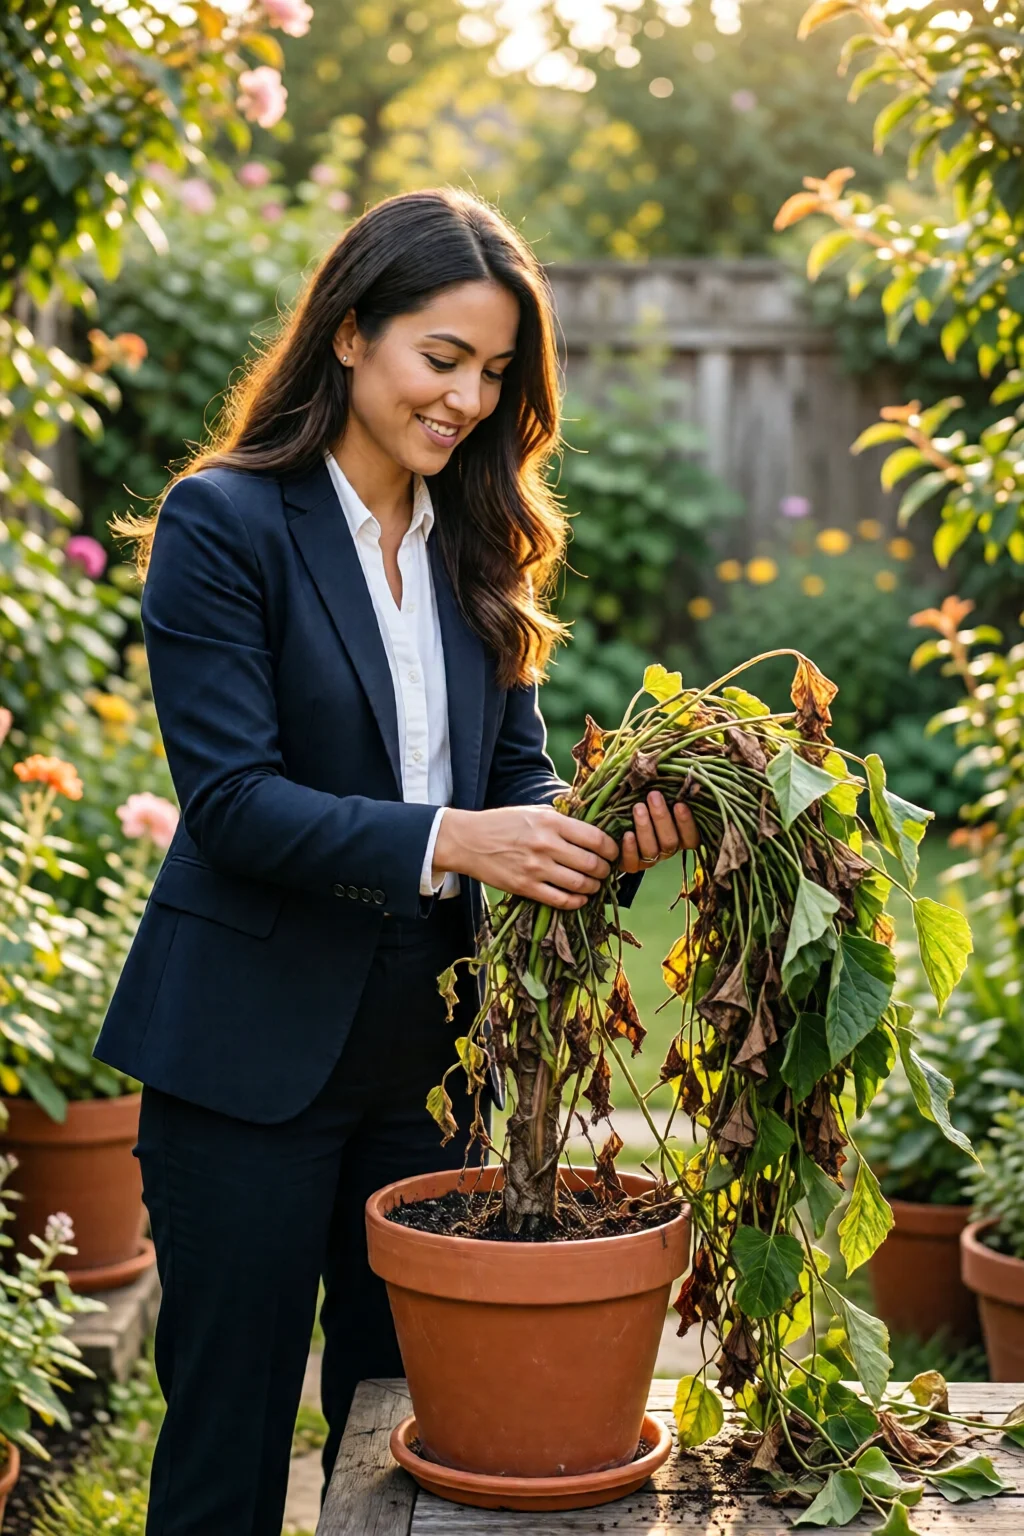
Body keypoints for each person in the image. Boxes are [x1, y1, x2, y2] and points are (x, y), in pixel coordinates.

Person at [94, 186, 698, 1536]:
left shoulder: (475, 541)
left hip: (430, 1059)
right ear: (353, 332)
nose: (472, 399)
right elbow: (237, 803)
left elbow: (509, 786)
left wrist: (600, 835)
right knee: (225, 1443)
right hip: (247, 1059)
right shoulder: (225, 525)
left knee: (400, 1441)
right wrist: (455, 839)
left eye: (495, 373)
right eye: (446, 358)